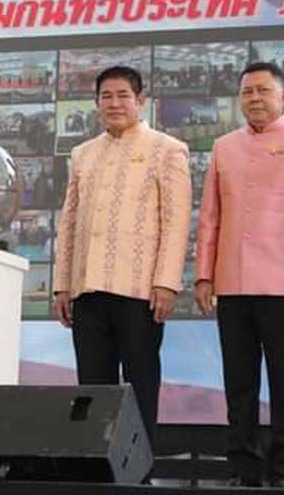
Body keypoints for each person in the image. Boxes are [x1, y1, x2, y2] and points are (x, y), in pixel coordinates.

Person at [195, 62, 284, 488]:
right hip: (231, 285)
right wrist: (204, 276)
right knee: (238, 384)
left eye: (263, 91)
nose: (254, 99)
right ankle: (244, 468)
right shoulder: (224, 146)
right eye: (247, 92)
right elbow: (210, 219)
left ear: (283, 97)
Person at [52, 65, 192, 444]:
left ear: (140, 101)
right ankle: (95, 468)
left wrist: (166, 284)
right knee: (93, 388)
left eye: (123, 96)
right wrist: (62, 285)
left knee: (139, 385)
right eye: (106, 96)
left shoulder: (167, 149)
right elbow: (69, 222)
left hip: (139, 292)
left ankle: (138, 470)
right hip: (87, 292)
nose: (114, 103)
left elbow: (176, 222)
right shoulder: (82, 154)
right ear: (96, 103)